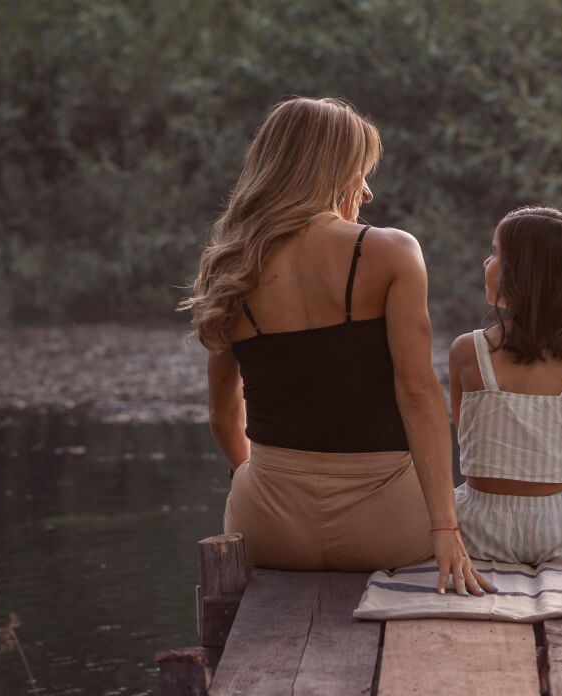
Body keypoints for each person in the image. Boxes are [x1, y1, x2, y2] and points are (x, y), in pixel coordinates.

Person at [183, 97, 493, 596]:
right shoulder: (393, 252)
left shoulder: (230, 267)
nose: (367, 193)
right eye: (360, 172)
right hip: (388, 529)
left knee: (253, 483)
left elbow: (223, 416)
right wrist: (446, 531)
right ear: (329, 171)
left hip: (269, 530)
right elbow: (418, 395)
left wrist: (270, 484)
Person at [447, 206, 562, 565]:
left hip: (480, 530)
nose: (486, 262)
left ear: (525, 275)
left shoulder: (468, 351)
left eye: (496, 253)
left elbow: (466, 442)